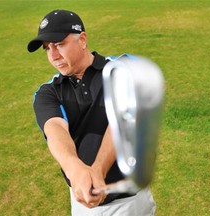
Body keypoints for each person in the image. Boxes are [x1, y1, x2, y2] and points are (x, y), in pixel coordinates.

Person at [27, 9, 156, 216]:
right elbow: (55, 130)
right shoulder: (47, 92)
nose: (53, 56)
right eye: (47, 49)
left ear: (82, 39)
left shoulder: (124, 69)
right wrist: (74, 168)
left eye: (59, 45)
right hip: (83, 205)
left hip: (131, 202)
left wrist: (97, 169)